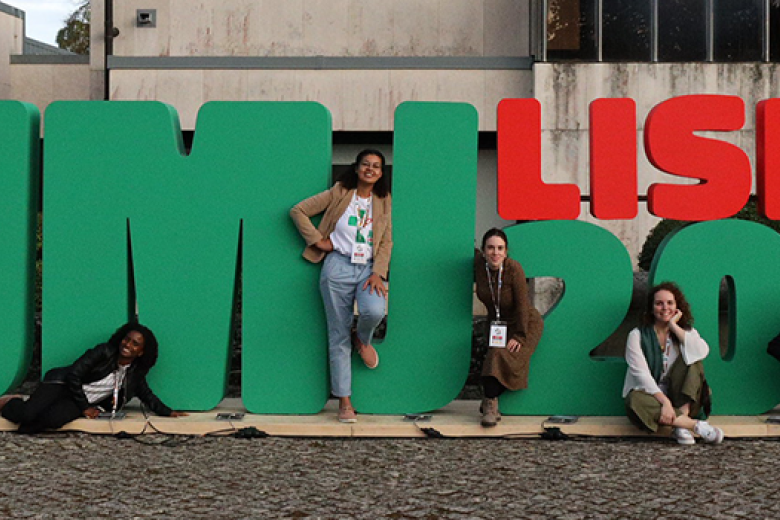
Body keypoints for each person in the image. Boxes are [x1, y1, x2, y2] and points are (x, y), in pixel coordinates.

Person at [290, 149, 392, 423]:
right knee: (337, 335)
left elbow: (386, 241)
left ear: (381, 173)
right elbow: (298, 211)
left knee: (374, 311)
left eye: (376, 166)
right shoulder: (339, 192)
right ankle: (345, 401)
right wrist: (318, 241)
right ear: (357, 168)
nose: (370, 169)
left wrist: (378, 273)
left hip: (368, 269)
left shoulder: (383, 200)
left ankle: (362, 338)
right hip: (337, 266)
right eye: (365, 165)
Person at [0, 322, 187, 434]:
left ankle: (28, 416)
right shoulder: (104, 351)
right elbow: (74, 374)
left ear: (141, 352)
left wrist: (168, 412)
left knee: (50, 422)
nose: (127, 344)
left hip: (79, 401)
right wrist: (85, 407)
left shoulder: (134, 373)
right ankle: (10, 402)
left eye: (135, 344)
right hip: (61, 385)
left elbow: (147, 395)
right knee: (27, 414)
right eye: (126, 339)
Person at [623, 282, 723, 445]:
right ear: (651, 307)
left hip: (683, 397)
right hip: (652, 398)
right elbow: (640, 374)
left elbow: (702, 351)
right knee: (634, 400)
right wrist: (665, 402)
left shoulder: (686, 333)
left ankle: (680, 422)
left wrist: (673, 326)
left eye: (670, 303)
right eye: (659, 303)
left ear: (677, 306)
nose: (665, 308)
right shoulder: (637, 335)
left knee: (692, 359)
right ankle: (692, 425)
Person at [474, 228, 544, 427]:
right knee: (491, 355)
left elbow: (523, 304)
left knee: (501, 357)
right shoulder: (480, 266)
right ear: (483, 250)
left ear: (506, 251)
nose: (495, 253)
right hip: (497, 325)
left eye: (499, 248)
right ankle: (490, 402)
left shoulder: (514, 269)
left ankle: (489, 404)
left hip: (524, 323)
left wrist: (520, 336)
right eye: (490, 248)